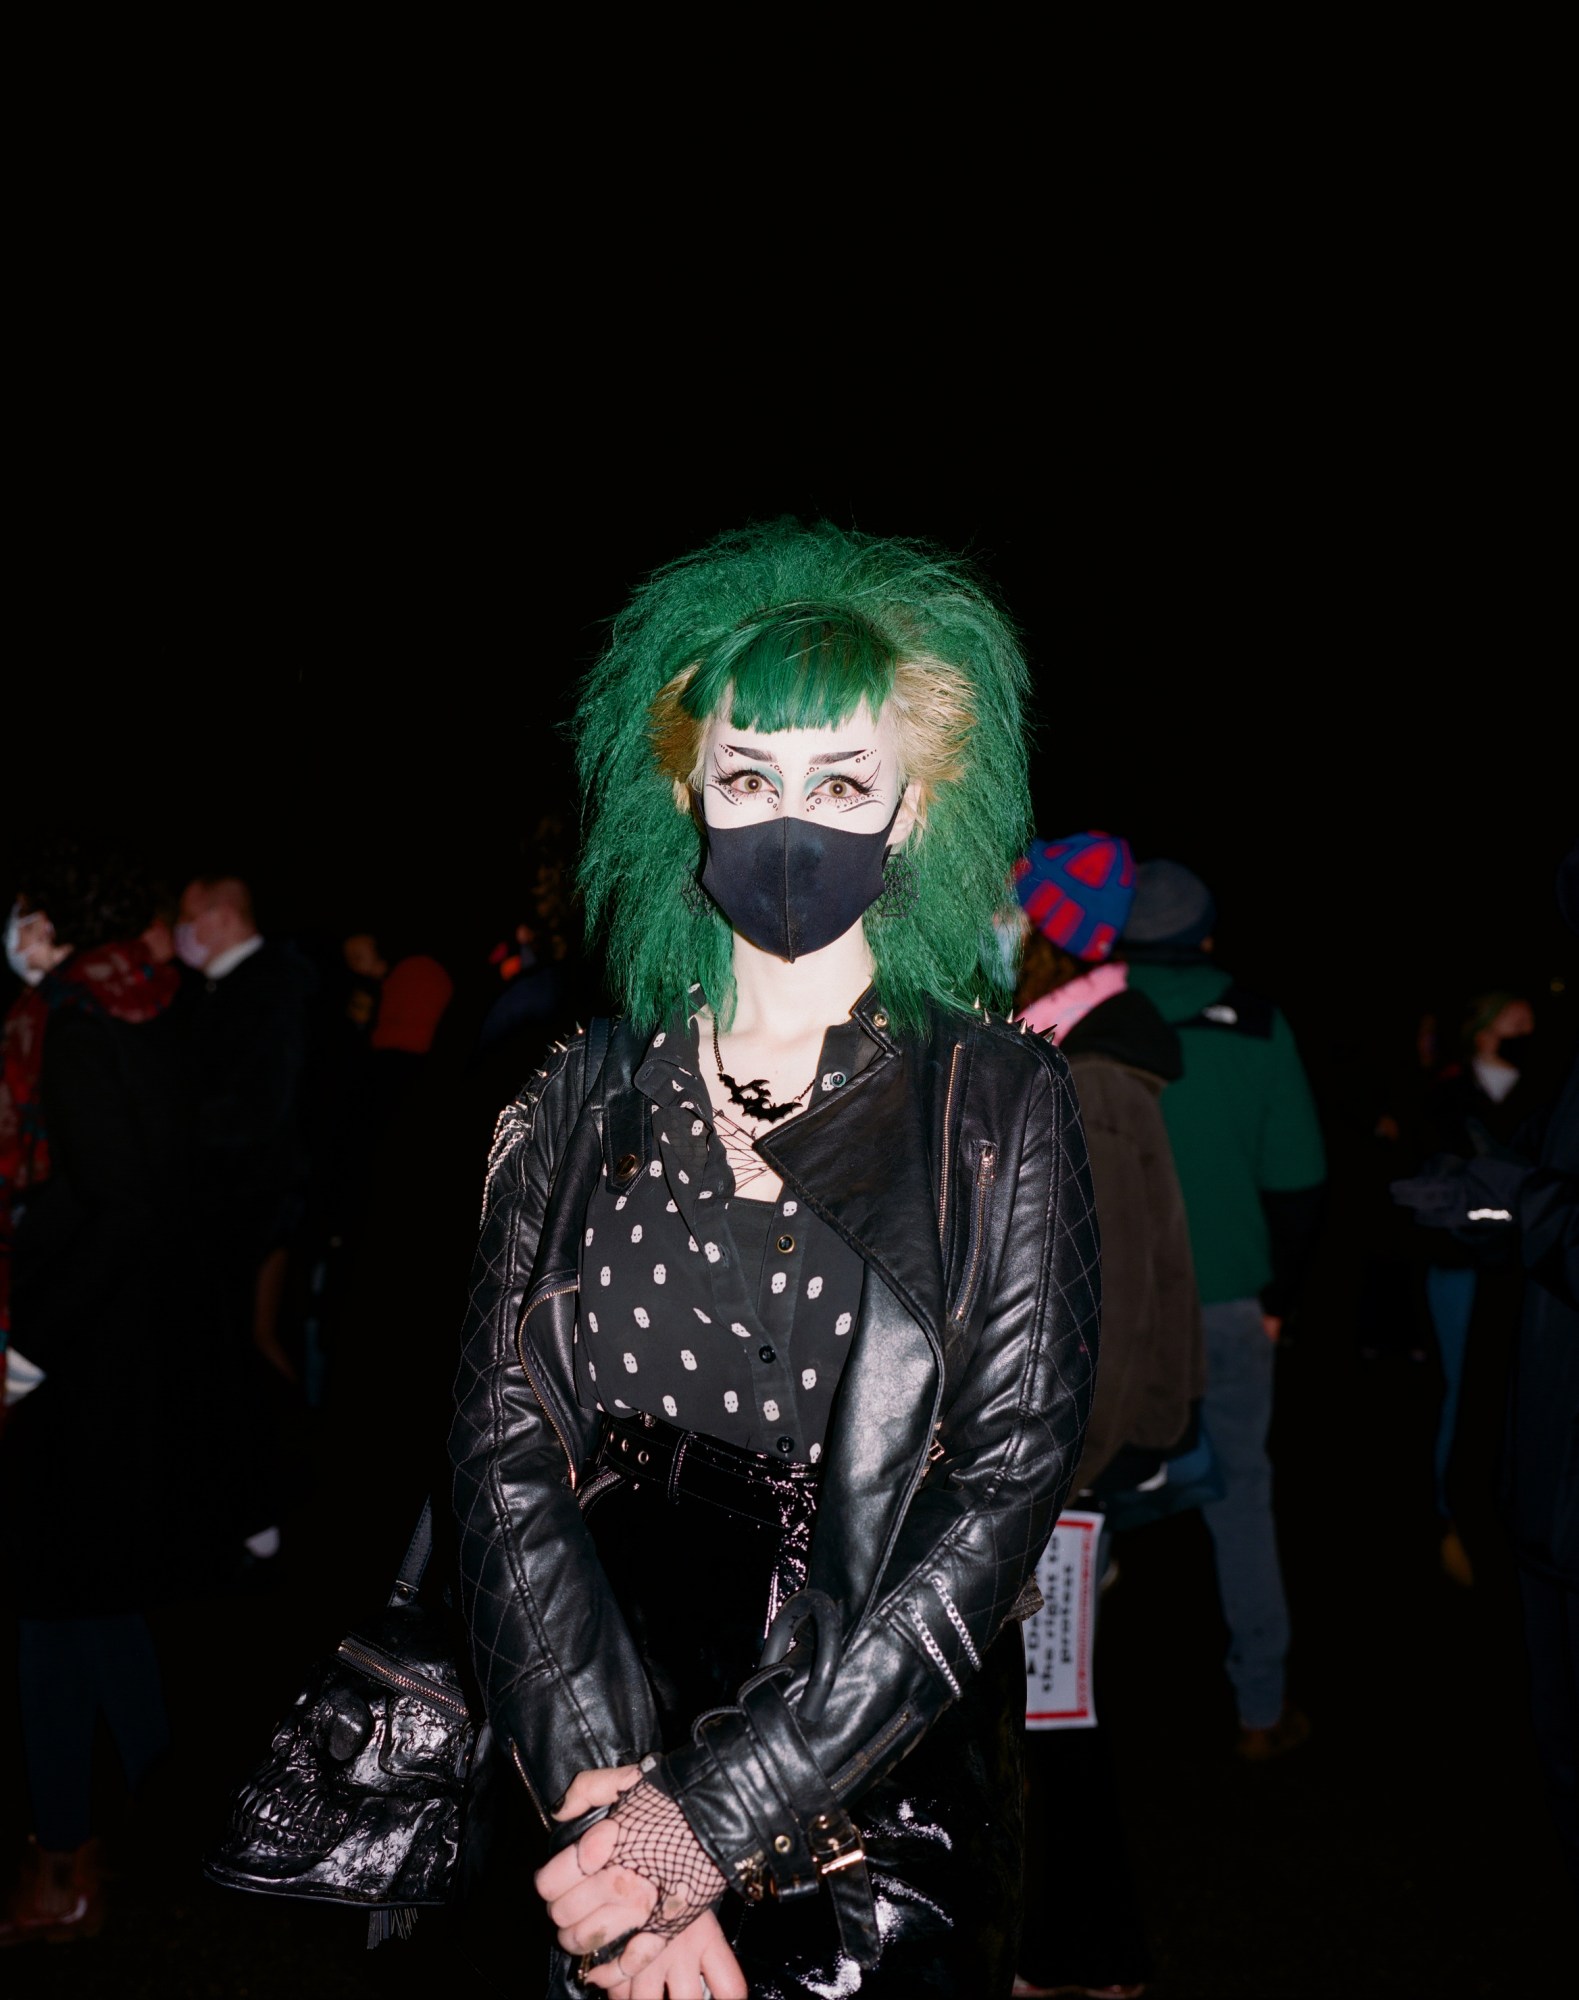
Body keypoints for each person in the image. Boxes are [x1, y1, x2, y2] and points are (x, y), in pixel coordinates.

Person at [449, 522, 1100, 1998]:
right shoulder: (577, 1089)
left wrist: (704, 1828)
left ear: (914, 811)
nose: (785, 824)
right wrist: (608, 1812)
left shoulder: (994, 1105)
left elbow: (997, 1493)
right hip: (586, 1769)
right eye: (746, 778)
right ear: (685, 791)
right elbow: (499, 1448)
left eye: (838, 784)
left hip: (865, 1777)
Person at [1010, 832, 1203, 2000]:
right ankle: (1069, 1944)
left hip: (1062, 1463)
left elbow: (1121, 1288)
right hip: (1056, 1451)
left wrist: (1068, 1465)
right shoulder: (1063, 1052)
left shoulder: (1085, 1071)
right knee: (1046, 1706)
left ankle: (1079, 1950)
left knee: (1051, 1709)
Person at [0, 854, 188, 1946]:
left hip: (76, 1360)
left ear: (57, 918)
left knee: (48, 1615)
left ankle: (64, 1857)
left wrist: (26, 1346)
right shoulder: (147, 1002)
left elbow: (107, 1202)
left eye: (26, 907)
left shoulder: (72, 1017)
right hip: (127, 1355)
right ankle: (168, 1819)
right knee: (99, 1605)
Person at [1392, 840, 1579, 1891]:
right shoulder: (1511, 1073)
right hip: (1546, 1475)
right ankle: (1456, 1515)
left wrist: (1520, 1197)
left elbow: (1549, 1200)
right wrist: (1485, 1207)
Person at [1121, 860, 1326, 1759]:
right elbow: (1300, 1183)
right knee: (1242, 1499)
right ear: (1205, 937)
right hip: (1232, 1302)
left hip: (1112, 1313)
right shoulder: (1257, 1022)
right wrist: (1278, 1299)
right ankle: (1259, 1709)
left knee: (1071, 1503)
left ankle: (1054, 1711)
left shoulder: (1085, 1014)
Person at [176, 874, 311, 1553]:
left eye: (188, 914)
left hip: (253, 1207)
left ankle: (274, 1504)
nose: (179, 928)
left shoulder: (271, 984)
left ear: (221, 914)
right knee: (231, 1356)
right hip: (235, 1204)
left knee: (248, 1352)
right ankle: (251, 1503)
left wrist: (163, 1125)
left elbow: (261, 1109)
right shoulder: (228, 987)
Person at [1412, 990, 1543, 1584]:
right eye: (1516, 1019)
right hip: (1462, 1266)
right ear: (1485, 1030)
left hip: (1525, 1268)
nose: (1529, 1028)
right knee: (1462, 1383)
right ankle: (1452, 1513)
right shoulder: (1447, 1092)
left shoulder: (1546, 1092)